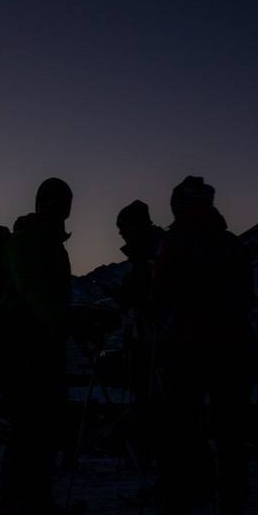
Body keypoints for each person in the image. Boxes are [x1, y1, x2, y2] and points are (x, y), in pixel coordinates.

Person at [148, 176, 255, 515]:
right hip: (231, 349)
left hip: (186, 349)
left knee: (179, 436)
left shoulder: (173, 244)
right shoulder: (230, 245)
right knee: (230, 438)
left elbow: (159, 295)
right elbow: (247, 297)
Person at [0, 177, 76, 515]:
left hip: (38, 342)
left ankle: (36, 508)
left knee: (41, 429)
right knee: (29, 429)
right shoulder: (27, 240)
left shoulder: (49, 242)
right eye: (59, 201)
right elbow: (32, 290)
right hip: (25, 343)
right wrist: (58, 321)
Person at [111, 200, 165, 482]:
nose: (121, 235)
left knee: (156, 399)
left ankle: (158, 458)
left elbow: (155, 292)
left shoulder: (155, 253)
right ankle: (151, 455)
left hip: (157, 337)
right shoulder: (147, 253)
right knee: (148, 398)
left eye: (124, 229)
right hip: (146, 336)